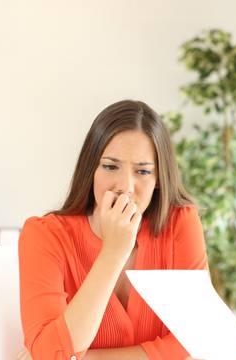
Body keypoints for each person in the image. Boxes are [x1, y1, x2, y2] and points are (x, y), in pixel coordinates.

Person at [18, 100, 208, 360]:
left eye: (142, 171)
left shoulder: (180, 224)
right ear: (91, 170)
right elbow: (48, 353)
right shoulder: (44, 235)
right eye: (110, 166)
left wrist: (88, 358)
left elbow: (195, 339)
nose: (125, 186)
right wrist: (114, 252)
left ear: (158, 180)